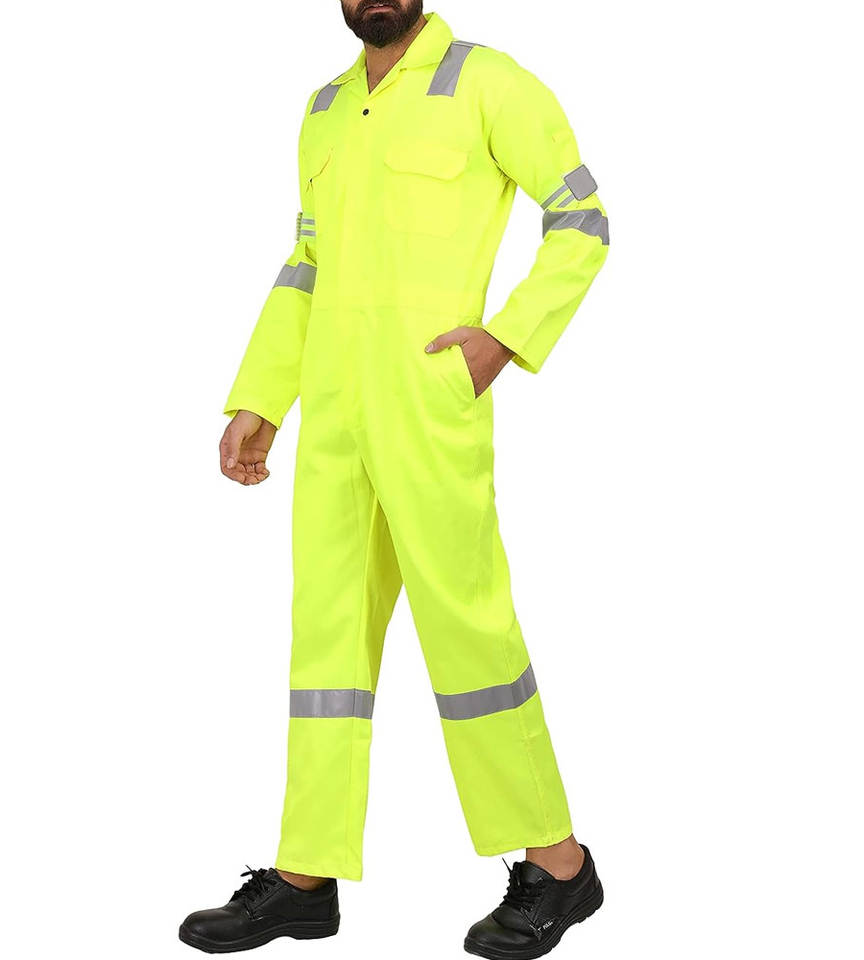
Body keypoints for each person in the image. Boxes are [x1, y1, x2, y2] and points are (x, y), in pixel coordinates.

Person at [180, 3, 609, 956]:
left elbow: (583, 220)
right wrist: (263, 397)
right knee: (325, 640)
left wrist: (505, 340)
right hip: (335, 411)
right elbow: (308, 263)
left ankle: (561, 866)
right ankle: (305, 877)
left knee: (468, 630)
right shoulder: (326, 108)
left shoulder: (488, 82)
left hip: (427, 403)